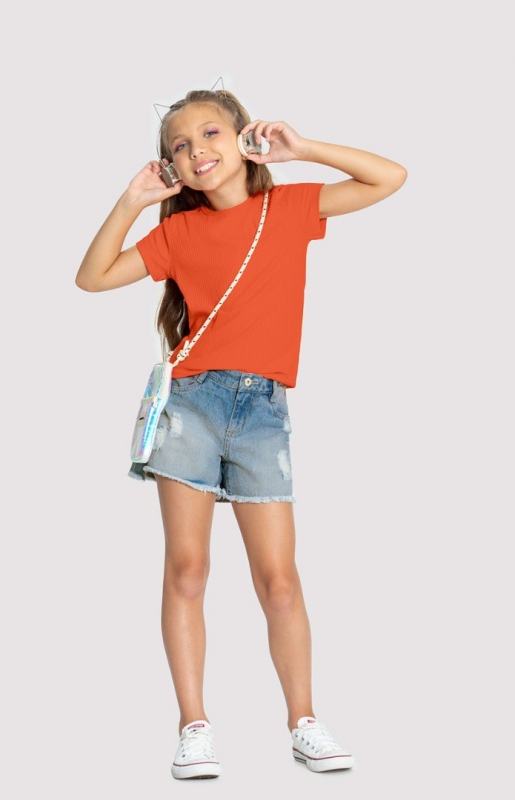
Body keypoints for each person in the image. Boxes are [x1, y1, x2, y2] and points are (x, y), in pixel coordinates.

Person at [76, 87, 407, 780]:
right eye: (179, 145)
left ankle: (303, 722)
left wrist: (302, 149)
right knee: (187, 569)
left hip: (261, 412)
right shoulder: (178, 234)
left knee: (279, 580)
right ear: (171, 166)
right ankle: (193, 727)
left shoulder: (287, 208)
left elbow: (390, 177)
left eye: (209, 133)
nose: (196, 150)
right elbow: (92, 277)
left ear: (241, 138)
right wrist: (132, 200)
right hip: (191, 406)